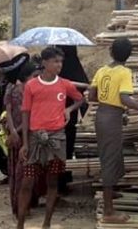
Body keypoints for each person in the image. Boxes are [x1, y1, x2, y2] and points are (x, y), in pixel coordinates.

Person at [17, 46, 84, 229]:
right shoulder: (31, 86)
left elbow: (80, 99)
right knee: (27, 182)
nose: (59, 65)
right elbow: (25, 113)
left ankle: (47, 223)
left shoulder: (64, 84)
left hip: (57, 138)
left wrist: (69, 109)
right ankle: (20, 224)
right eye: (55, 61)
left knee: (52, 182)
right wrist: (25, 143)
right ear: (45, 63)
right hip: (35, 138)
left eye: (61, 61)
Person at [90, 37, 138, 224]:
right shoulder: (124, 72)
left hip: (102, 115)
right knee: (110, 159)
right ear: (129, 55)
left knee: (110, 155)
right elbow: (125, 99)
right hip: (112, 118)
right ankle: (108, 211)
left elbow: (92, 95)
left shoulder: (102, 70)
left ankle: (110, 192)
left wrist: (107, 100)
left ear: (111, 52)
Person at [4, 60, 43, 217]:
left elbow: (32, 114)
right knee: (16, 172)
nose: (37, 79)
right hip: (14, 135)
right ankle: (19, 206)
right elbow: (8, 110)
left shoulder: (34, 91)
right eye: (34, 76)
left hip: (28, 134)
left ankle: (28, 203)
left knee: (26, 172)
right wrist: (13, 131)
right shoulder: (11, 88)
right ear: (26, 76)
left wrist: (17, 131)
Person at [58, 45, 90, 194]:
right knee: (67, 147)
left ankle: (56, 183)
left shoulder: (54, 69)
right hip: (68, 115)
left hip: (56, 114)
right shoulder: (74, 65)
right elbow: (85, 89)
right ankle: (64, 179)